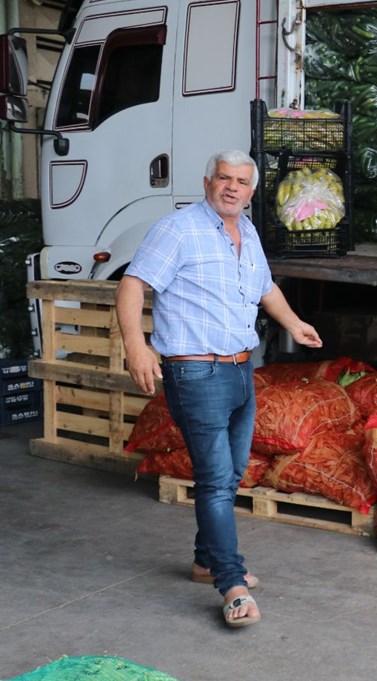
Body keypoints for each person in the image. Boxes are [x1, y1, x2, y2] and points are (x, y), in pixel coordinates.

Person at [116, 150, 323, 629]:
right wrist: (136, 345)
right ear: (207, 181)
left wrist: (294, 322)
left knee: (229, 476)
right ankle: (230, 583)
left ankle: (205, 560)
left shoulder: (246, 231)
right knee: (214, 481)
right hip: (195, 372)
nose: (233, 187)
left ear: (252, 191)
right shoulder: (179, 228)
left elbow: (265, 285)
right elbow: (133, 284)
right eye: (224, 178)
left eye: (242, 181)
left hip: (240, 370)